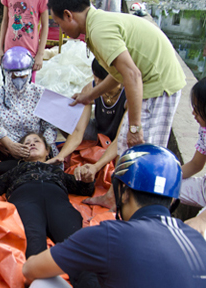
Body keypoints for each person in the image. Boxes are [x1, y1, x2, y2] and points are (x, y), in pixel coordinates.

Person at [23, 144, 206, 288]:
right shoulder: (198, 240)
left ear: (124, 193)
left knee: (41, 285)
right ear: (174, 200)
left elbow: (31, 269)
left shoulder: (111, 234)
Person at [48, 0, 186, 208]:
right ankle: (113, 196)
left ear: (69, 15)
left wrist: (135, 126)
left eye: (58, 24)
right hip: (145, 80)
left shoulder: (99, 31)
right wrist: (90, 96)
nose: (61, 30)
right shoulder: (96, 25)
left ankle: (150, 209)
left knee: (145, 151)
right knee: (124, 144)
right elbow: (118, 73)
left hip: (159, 85)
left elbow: (132, 74)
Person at [0, 132, 102, 288]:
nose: (32, 144)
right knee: (33, 244)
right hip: (26, 202)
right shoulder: (16, 168)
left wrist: (87, 178)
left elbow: (85, 189)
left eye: (36, 141)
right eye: (27, 143)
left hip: (59, 204)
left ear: (48, 151)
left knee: (77, 245)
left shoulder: (56, 172)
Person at [47, 58, 127, 174]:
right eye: (95, 76)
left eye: (102, 79)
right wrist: (61, 156)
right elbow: (78, 131)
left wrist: (97, 166)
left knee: (123, 155)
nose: (97, 81)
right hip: (98, 134)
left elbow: (120, 139)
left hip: (118, 138)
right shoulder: (91, 88)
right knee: (63, 115)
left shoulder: (128, 94)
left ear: (115, 78)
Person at [0, 46, 58, 160]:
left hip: (37, 152)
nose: (19, 81)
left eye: (23, 76)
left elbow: (50, 126)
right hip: (10, 152)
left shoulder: (39, 93)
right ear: (6, 74)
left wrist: (44, 147)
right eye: (14, 77)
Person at [178, 78, 206, 235]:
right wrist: (170, 177)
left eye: (197, 108)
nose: (193, 113)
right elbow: (196, 164)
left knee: (197, 233)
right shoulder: (204, 129)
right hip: (204, 188)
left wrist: (202, 219)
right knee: (160, 188)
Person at [0, 0, 49, 82]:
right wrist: (0, 48)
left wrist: (40, 54)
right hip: (10, 52)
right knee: (9, 87)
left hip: (30, 53)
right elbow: (5, 21)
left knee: (27, 89)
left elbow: (45, 26)